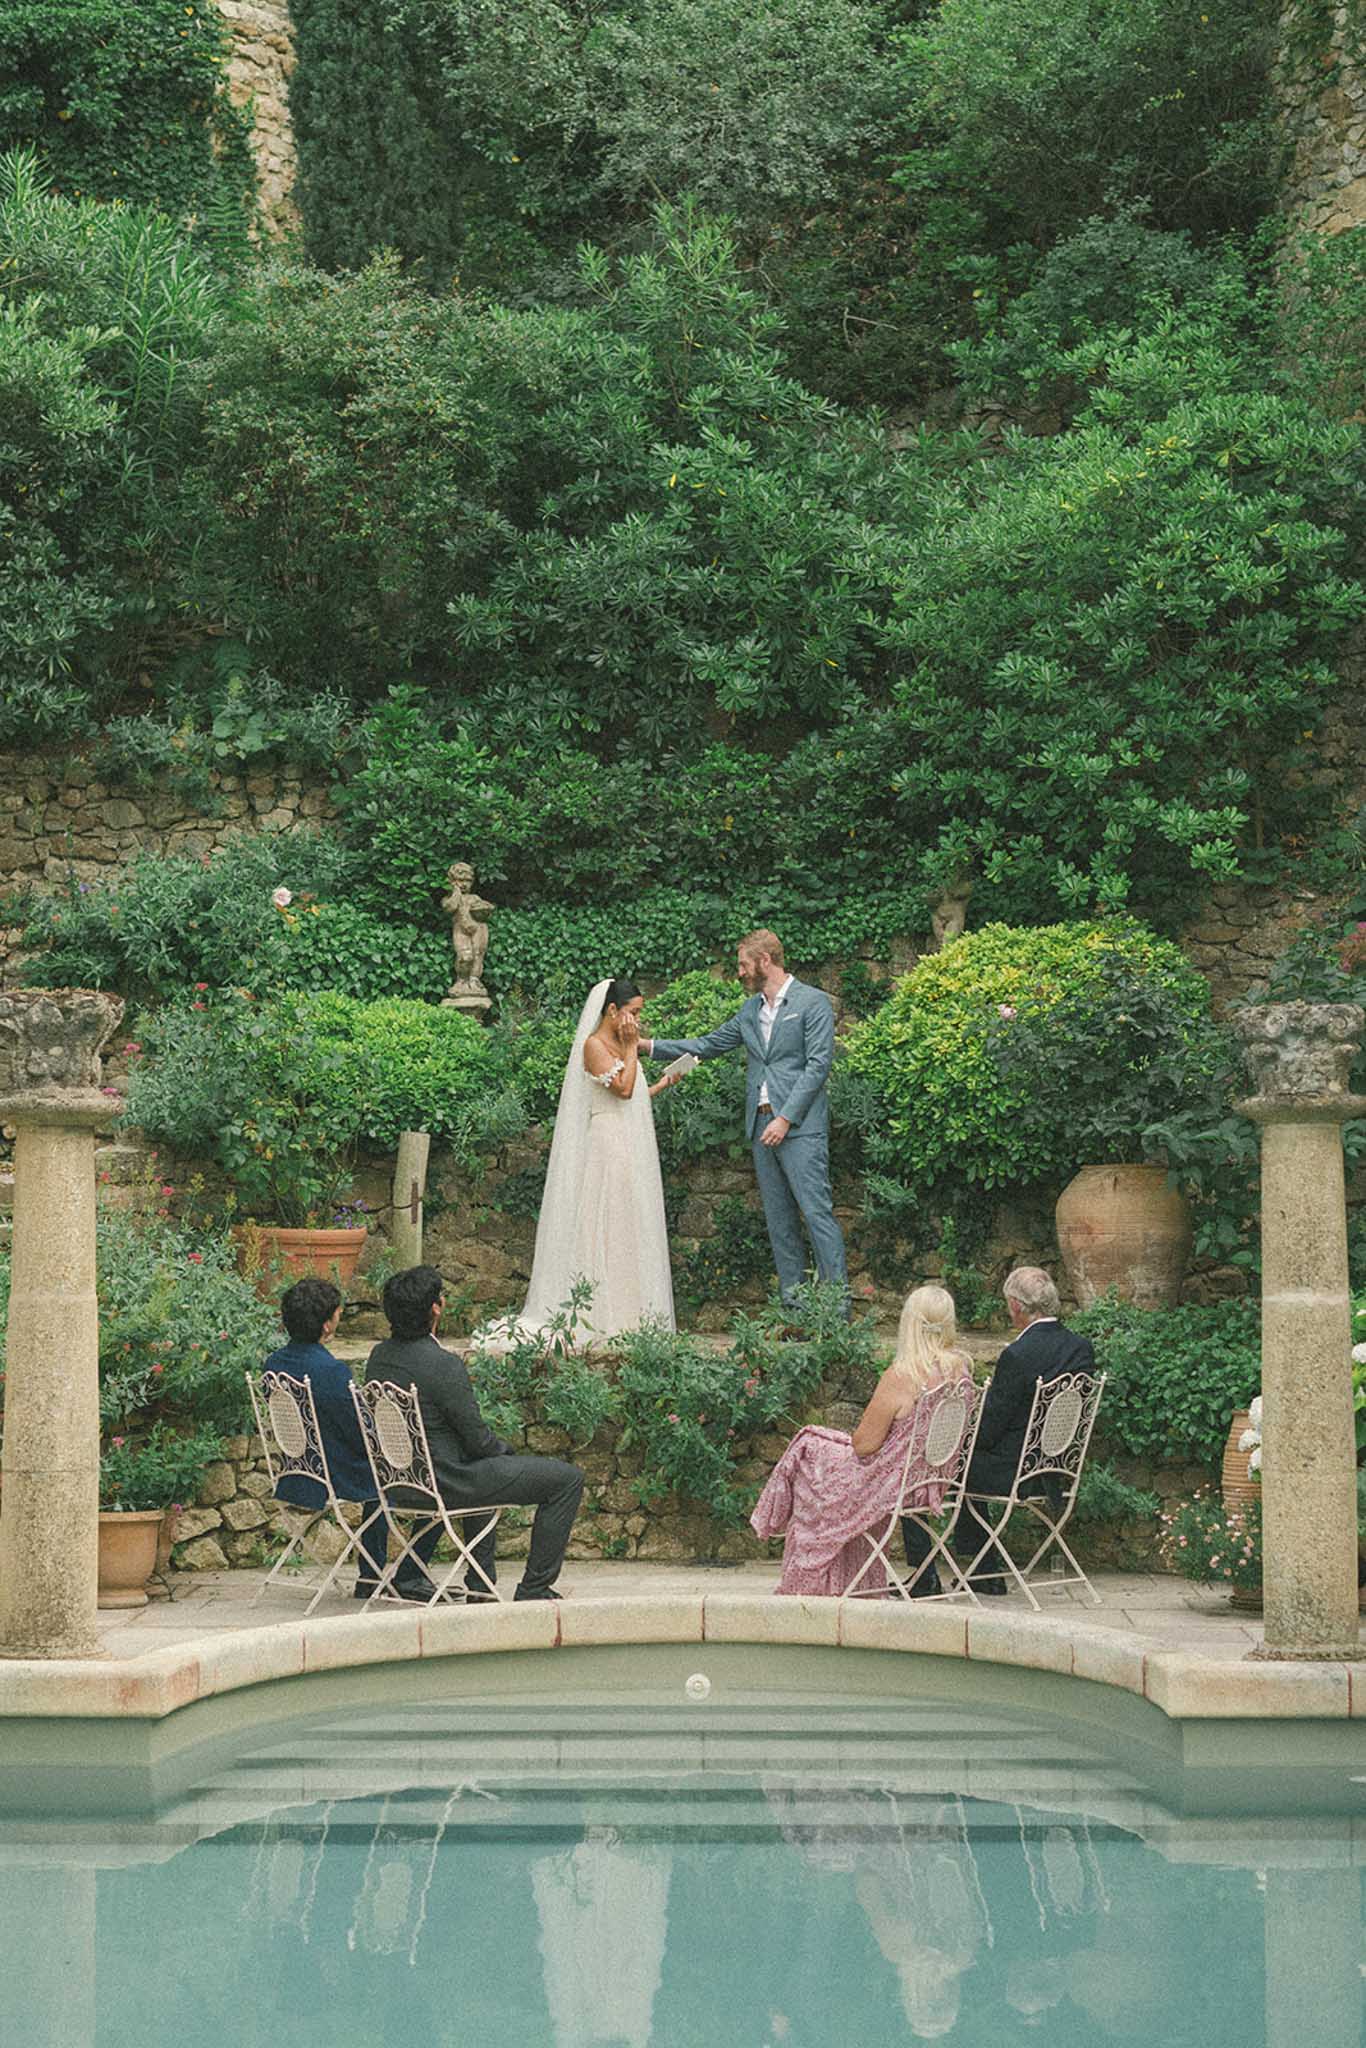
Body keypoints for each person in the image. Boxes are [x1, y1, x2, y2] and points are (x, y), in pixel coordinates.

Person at [643, 929, 848, 1316]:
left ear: (764, 961)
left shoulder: (813, 1002)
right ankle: (795, 1311)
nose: (739, 972)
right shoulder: (749, 1011)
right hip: (759, 1125)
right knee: (779, 1221)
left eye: (742, 964)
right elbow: (706, 1046)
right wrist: (647, 1047)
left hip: (799, 1128)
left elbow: (819, 1066)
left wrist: (785, 1119)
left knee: (816, 1214)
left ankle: (836, 1313)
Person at [367, 1264, 585, 1601]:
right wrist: (504, 1451)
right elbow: (477, 1439)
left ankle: (475, 1585)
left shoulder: (379, 1357)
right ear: (435, 1308)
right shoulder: (443, 1364)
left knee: (481, 1469)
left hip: (404, 1480)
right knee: (567, 1479)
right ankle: (534, 1587)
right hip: (448, 1482)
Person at [750, 1285, 974, 1596]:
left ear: (909, 1324)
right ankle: (840, 1575)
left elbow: (864, 1445)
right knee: (814, 1443)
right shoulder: (961, 1373)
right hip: (930, 1481)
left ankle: (802, 1563)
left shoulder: (904, 1376)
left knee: (807, 1448)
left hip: (888, 1483)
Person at [491, 978, 678, 1346]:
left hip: (630, 1139)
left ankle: (631, 1311)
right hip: (609, 1142)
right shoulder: (594, 1045)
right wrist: (631, 1048)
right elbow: (622, 1090)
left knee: (629, 1222)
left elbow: (633, 1093)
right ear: (612, 1010)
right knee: (609, 1219)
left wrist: (662, 1084)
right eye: (634, 1012)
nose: (638, 1020)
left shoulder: (620, 1044)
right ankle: (602, 1315)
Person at [263, 1276, 441, 1603]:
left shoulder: (273, 1364)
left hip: (298, 1468)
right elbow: (361, 1433)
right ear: (326, 1325)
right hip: (334, 1474)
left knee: (380, 1471)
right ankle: (386, 1574)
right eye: (336, 1314)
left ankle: (372, 1576)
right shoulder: (331, 1371)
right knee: (418, 1476)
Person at [952, 1265, 1096, 1595]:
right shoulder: (1080, 1348)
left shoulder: (1017, 1355)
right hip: (1058, 1468)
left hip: (1018, 1473)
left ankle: (983, 1569)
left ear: (1016, 1306)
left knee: (953, 1463)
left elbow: (989, 1429)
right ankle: (982, 1570)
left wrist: (965, 1434)